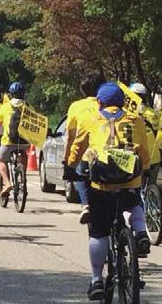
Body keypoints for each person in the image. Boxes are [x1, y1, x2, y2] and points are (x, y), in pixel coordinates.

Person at [66, 82, 151, 301]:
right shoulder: (135, 120)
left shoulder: (91, 120)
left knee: (99, 231)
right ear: (122, 102)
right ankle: (140, 233)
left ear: (100, 102)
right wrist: (145, 168)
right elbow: (144, 150)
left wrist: (70, 166)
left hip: (102, 184)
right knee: (133, 204)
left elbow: (78, 146)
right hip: (129, 180)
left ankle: (96, 280)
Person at [63, 72, 106, 224]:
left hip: (87, 154)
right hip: (110, 153)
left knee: (80, 172)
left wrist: (67, 162)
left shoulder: (76, 107)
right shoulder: (113, 105)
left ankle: (86, 204)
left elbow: (71, 138)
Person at [0, 82, 28, 197]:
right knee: (24, 154)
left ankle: (6, 183)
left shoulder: (5, 107)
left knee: (1, 161)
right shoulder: (29, 107)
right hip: (24, 141)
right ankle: (22, 176)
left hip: (8, 141)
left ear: (11, 94)